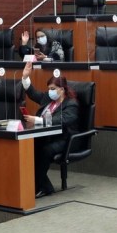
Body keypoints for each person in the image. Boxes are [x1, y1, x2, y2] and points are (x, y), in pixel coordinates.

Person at [20, 61, 79, 198]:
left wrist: (38, 120)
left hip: (64, 139)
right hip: (45, 136)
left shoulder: (71, 104)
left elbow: (60, 121)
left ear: (62, 89)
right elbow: (33, 93)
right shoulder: (48, 98)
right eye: (49, 89)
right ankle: (44, 186)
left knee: (44, 151)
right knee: (29, 147)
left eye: (53, 88)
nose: (50, 91)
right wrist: (25, 77)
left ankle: (37, 186)